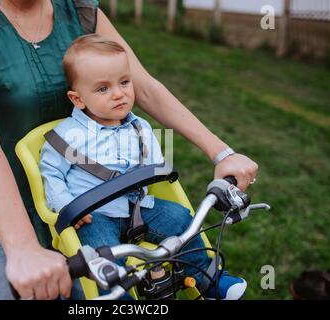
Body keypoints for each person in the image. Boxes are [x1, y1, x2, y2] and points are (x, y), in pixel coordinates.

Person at [0, 0, 258, 300]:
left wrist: (221, 152)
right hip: (10, 214)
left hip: (96, 202)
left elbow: (142, 85)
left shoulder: (79, 7)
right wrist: (22, 248)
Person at [40, 34, 247, 300]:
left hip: (139, 207)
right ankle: (121, 299)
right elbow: (51, 174)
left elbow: (152, 165)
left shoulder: (140, 127)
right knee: (104, 258)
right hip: (94, 215)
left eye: (124, 82)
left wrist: (152, 164)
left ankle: (208, 280)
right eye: (103, 89)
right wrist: (67, 206)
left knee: (181, 218)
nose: (119, 93)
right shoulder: (67, 135)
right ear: (78, 99)